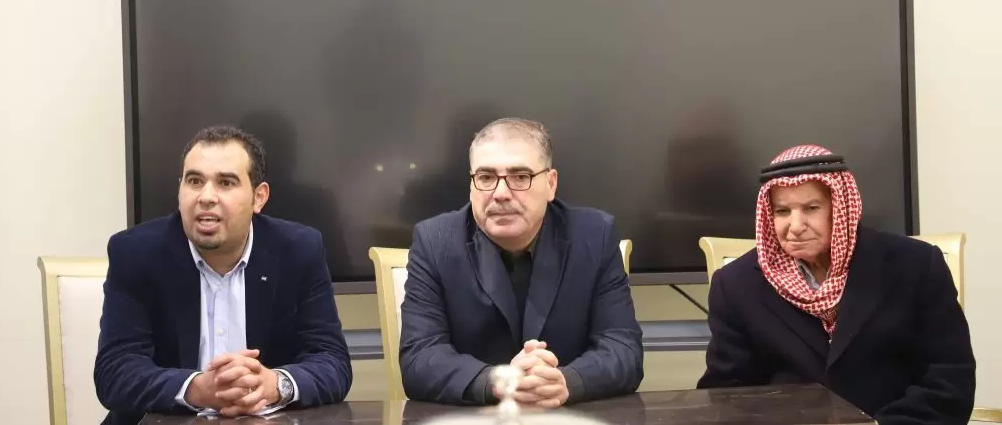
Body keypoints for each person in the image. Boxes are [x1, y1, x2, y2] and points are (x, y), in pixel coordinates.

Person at [698, 144, 975, 424]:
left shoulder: (915, 265)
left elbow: (949, 378)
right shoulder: (735, 284)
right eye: (782, 211)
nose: (795, 226)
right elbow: (726, 395)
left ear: (840, 208)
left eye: (811, 208)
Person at [94, 125, 352, 425]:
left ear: (258, 197)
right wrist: (196, 389)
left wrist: (274, 385)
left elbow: (332, 362)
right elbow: (115, 372)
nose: (206, 197)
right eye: (194, 181)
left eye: (225, 183)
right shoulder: (135, 253)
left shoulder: (298, 250)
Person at [398, 117, 643, 406]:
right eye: (486, 177)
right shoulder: (434, 241)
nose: (501, 193)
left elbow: (623, 349)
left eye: (520, 177)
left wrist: (566, 381)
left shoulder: (594, 236)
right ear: (471, 185)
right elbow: (420, 358)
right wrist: (498, 381)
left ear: (550, 184)